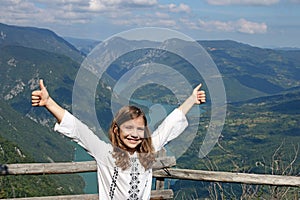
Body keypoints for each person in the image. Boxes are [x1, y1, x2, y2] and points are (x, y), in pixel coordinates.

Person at [31, 79, 206, 200]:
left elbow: (169, 125)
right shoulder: (105, 153)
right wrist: (49, 103)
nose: (134, 134)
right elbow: (78, 130)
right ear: (117, 129)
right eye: (128, 127)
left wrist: (191, 100)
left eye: (139, 129)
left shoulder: (148, 151)